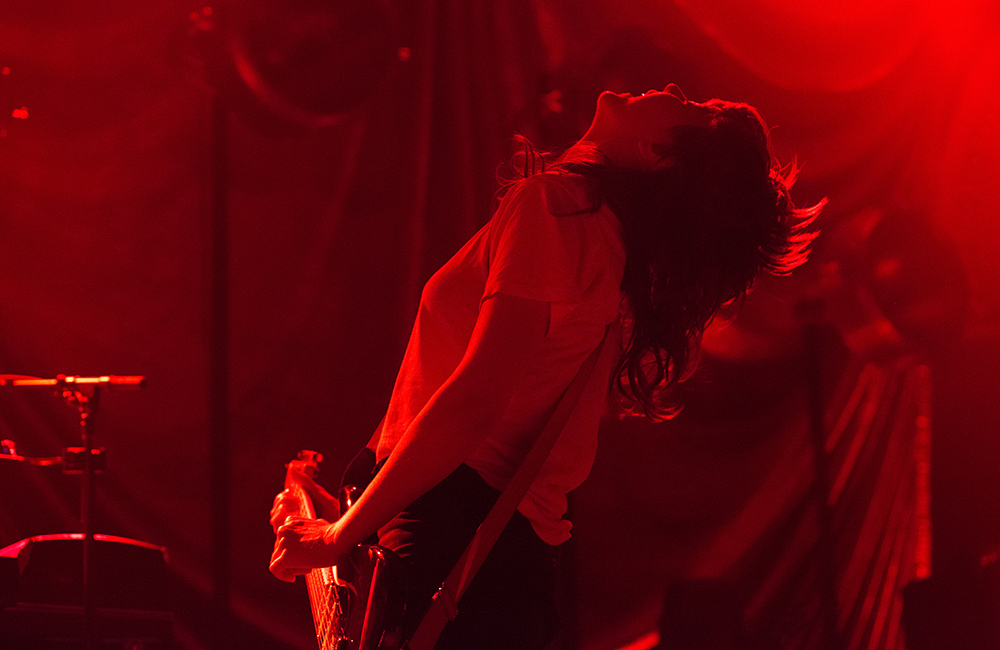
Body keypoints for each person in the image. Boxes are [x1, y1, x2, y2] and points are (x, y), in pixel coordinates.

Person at [269, 84, 823, 648]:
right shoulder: (603, 244)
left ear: (658, 152)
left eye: (687, 109)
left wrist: (337, 537)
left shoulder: (557, 209)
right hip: (491, 553)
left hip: (452, 541)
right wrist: (338, 515)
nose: (674, 89)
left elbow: (476, 404)